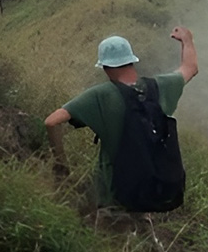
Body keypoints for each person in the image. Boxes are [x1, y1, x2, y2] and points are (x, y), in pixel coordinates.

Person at [44, 27, 198, 208]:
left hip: (114, 196)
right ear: (132, 61)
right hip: (156, 190)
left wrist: (61, 166)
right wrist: (186, 40)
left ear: (105, 67)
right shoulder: (161, 87)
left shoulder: (100, 95)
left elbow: (51, 122)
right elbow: (190, 67)